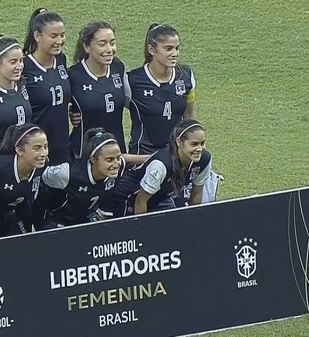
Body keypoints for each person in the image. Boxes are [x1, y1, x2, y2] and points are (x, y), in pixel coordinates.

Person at [38, 128, 148, 229]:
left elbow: (123, 159)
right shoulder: (68, 173)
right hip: (56, 220)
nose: (116, 164)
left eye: (117, 158)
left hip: (83, 218)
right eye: (109, 160)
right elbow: (39, 178)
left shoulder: (117, 167)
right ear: (93, 160)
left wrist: (149, 158)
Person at [112, 119, 212, 217]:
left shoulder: (204, 159)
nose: (199, 149)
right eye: (194, 144)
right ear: (179, 142)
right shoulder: (161, 165)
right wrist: (142, 230)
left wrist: (194, 221)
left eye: (202, 143)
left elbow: (197, 193)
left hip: (159, 197)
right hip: (130, 198)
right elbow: (140, 201)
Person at [127, 23, 197, 155]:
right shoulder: (133, 81)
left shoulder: (186, 75)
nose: (174, 53)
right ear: (152, 50)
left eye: (177, 48)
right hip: (144, 155)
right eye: (168, 48)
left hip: (176, 154)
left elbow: (189, 116)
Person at [68, 21, 131, 156]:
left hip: (116, 151)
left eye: (112, 43)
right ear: (87, 47)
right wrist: (69, 112)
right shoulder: (73, 76)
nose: (109, 49)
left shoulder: (118, 68)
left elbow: (133, 103)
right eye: (102, 44)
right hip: (84, 153)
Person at [22, 7, 71, 164]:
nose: (59, 41)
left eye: (62, 35)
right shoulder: (24, 66)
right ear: (37, 36)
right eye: (53, 36)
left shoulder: (61, 60)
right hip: (35, 150)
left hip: (62, 146)